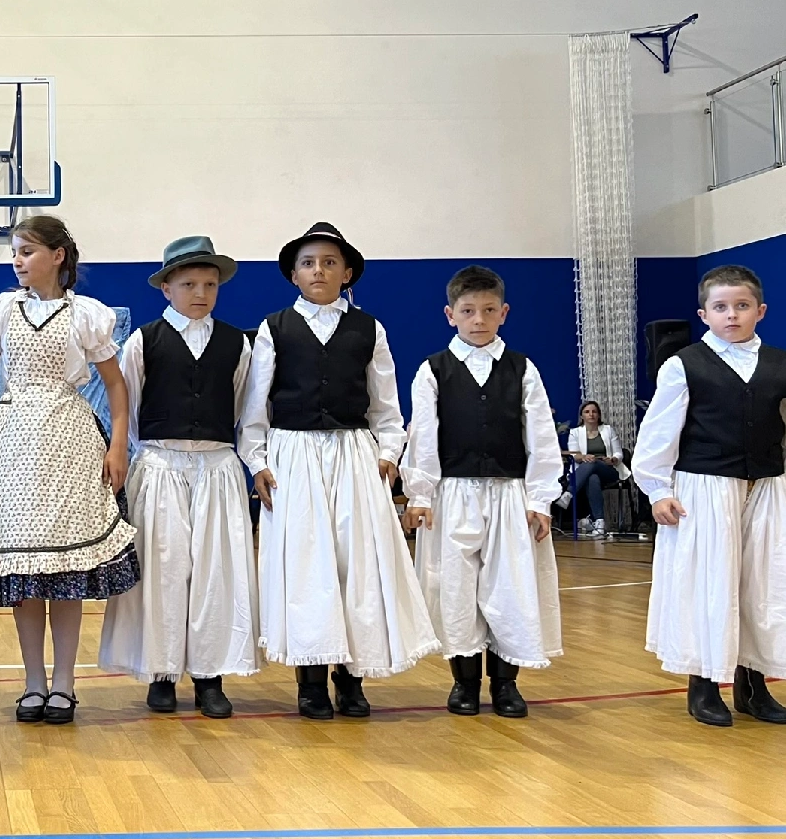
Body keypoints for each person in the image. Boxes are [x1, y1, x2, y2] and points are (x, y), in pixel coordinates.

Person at [240, 222, 439, 719]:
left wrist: (389, 452)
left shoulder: (369, 329)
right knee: (306, 567)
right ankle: (310, 682)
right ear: (293, 274)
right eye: (308, 263)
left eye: (329, 262)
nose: (318, 271)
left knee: (357, 565)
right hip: (294, 455)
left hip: (353, 453)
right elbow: (255, 407)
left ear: (347, 272)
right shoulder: (274, 328)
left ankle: (352, 679)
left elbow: (385, 405)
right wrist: (258, 461)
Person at [0, 215, 140, 725]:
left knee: (65, 568)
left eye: (27, 251)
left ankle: (64, 682)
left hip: (69, 439)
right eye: (14, 253)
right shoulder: (2, 310)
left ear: (57, 256)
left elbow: (116, 385)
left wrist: (119, 446)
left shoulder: (86, 315)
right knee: (24, 571)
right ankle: (34, 682)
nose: (17, 261)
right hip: (14, 441)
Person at [98, 236, 260, 718]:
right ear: (166, 288)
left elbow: (241, 403)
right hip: (161, 464)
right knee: (163, 570)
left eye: (210, 284)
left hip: (217, 466)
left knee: (216, 571)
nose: (200, 293)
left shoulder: (237, 343)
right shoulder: (144, 340)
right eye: (189, 284)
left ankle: (210, 676)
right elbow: (128, 407)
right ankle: (162, 673)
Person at [401, 265, 564, 718]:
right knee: (455, 587)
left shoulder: (522, 369)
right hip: (452, 494)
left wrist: (540, 499)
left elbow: (541, 437)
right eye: (468, 311)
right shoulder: (433, 370)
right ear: (450, 314)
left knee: (511, 587)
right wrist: (420, 494)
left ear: (504, 313)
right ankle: (465, 683)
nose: (478, 319)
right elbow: (423, 436)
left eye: (489, 310)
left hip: (510, 493)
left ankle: (506, 685)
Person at [633, 264, 786, 727]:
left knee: (763, 585)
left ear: (760, 310)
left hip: (767, 485)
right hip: (705, 486)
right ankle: (703, 685)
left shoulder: (779, 364)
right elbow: (658, 433)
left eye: (742, 306)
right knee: (708, 584)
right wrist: (657, 489)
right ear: (704, 314)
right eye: (721, 307)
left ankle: (753, 685)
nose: (732, 315)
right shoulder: (684, 365)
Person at [567, 401, 628, 537]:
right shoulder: (575, 433)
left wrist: (613, 459)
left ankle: (569, 493)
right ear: (582, 416)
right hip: (587, 472)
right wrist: (583, 457)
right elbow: (574, 455)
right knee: (592, 477)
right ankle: (600, 522)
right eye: (587, 412)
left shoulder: (608, 430)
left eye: (594, 411)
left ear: (599, 415)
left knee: (593, 463)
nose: (591, 414)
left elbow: (619, 453)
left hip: (608, 470)